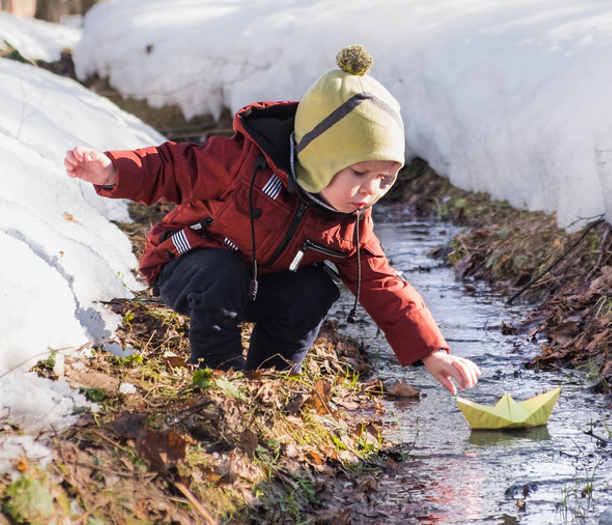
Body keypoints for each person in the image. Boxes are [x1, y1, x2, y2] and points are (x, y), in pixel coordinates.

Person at [64, 45, 480, 395]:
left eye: (384, 179)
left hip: (257, 286)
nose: (370, 190)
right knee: (221, 270)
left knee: (315, 288)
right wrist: (112, 171)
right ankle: (219, 380)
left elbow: (379, 282)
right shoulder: (244, 164)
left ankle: (270, 380)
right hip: (187, 267)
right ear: (321, 157)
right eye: (358, 173)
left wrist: (433, 352)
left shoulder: (349, 221)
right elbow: (175, 166)